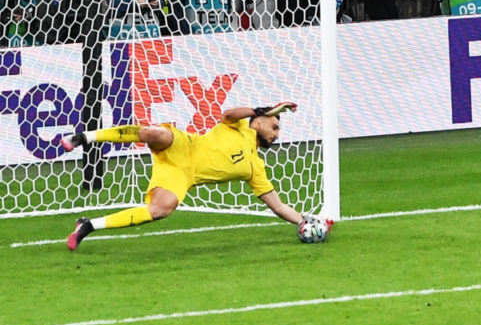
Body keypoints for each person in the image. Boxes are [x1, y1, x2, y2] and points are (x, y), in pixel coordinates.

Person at [60, 103, 331, 251]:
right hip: (183, 145)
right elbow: (227, 113)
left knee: (161, 209)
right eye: (274, 126)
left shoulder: (255, 168)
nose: (276, 134)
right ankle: (83, 137)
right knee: (156, 134)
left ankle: (88, 226)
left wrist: (309, 222)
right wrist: (261, 109)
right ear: (258, 123)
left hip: (182, 174)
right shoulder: (239, 127)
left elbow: (279, 206)